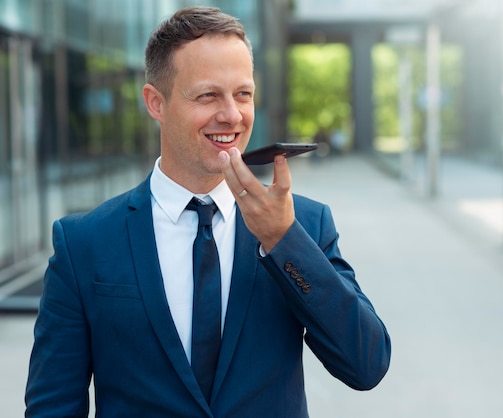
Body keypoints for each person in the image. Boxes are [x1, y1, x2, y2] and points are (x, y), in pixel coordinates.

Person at [25, 6, 391, 417]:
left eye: (243, 94)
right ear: (155, 103)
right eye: (207, 95)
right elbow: (51, 407)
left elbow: (366, 365)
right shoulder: (83, 244)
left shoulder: (302, 224)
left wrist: (283, 241)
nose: (232, 115)